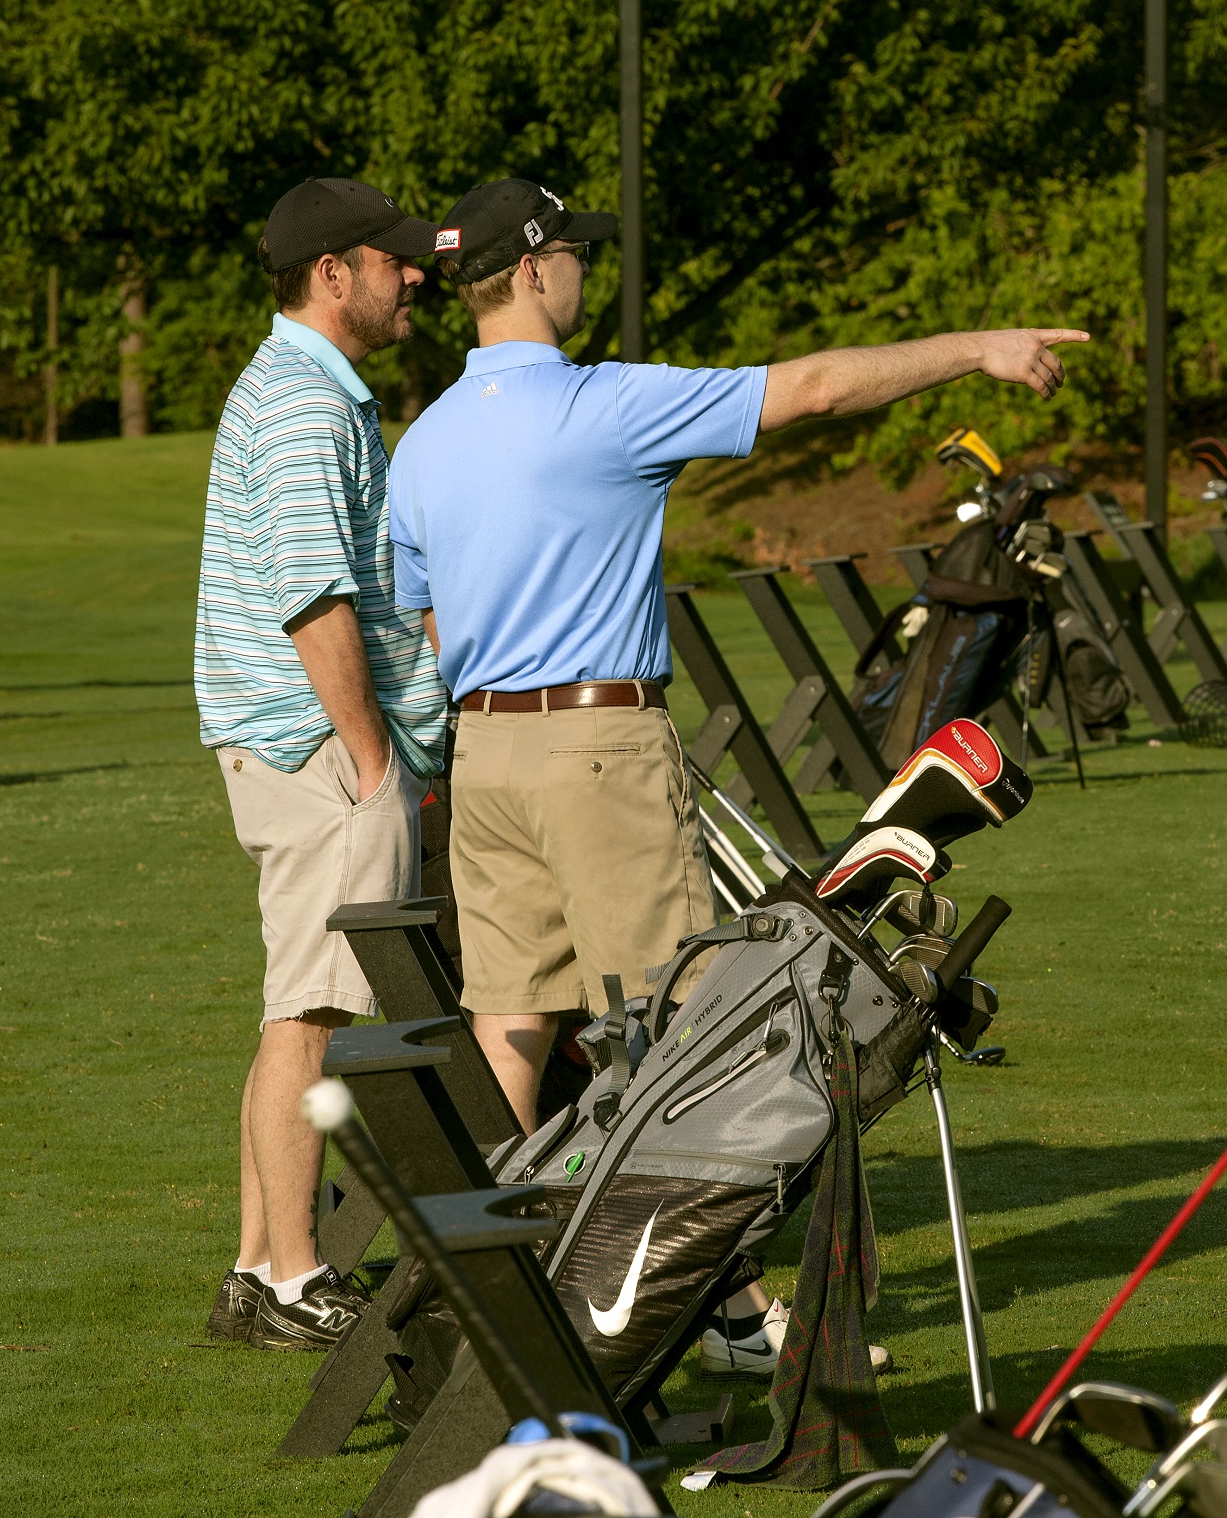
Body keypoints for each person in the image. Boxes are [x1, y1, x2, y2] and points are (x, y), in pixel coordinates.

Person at [389, 177, 1082, 1372]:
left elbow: (436, 626)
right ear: (538, 265)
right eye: (576, 257)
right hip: (595, 743)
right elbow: (809, 388)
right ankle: (718, 1304)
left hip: (483, 746)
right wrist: (976, 348)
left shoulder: (427, 436)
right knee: (686, 1032)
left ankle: (482, 1298)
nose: (587, 276)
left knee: (510, 1026)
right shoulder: (596, 403)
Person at [195, 177, 449, 1350]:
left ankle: (258, 1264)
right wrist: (371, 758)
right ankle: (296, 1273)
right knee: (314, 1016)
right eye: (391, 260)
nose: (414, 276)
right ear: (330, 274)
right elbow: (315, 598)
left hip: (301, 747)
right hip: (319, 750)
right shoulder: (303, 406)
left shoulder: (310, 393)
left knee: (293, 1007)